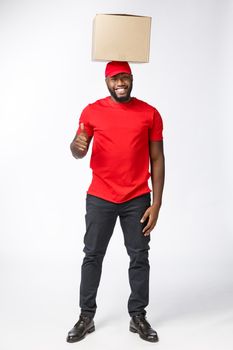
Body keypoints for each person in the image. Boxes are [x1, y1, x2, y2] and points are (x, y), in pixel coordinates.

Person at [66, 61, 165, 343]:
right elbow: (78, 148)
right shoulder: (92, 111)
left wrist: (156, 203)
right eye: (114, 78)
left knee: (139, 256)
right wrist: (77, 147)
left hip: (137, 198)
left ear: (132, 79)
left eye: (124, 77)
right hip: (101, 197)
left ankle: (138, 316)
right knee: (93, 255)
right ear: (106, 81)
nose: (119, 83)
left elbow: (157, 158)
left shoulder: (150, 113)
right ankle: (86, 316)